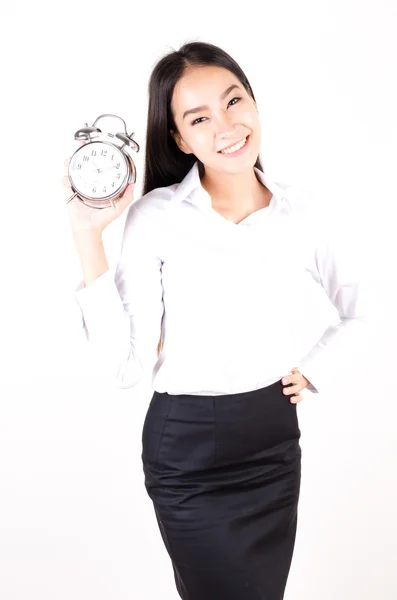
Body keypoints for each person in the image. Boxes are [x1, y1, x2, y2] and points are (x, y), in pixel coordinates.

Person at [62, 41, 375, 599]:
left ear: (255, 103)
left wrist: (318, 367)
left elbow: (369, 309)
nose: (226, 125)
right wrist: (88, 235)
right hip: (186, 455)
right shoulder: (154, 217)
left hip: (272, 445)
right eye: (199, 118)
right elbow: (127, 366)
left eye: (234, 102)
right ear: (180, 138)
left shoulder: (302, 211)